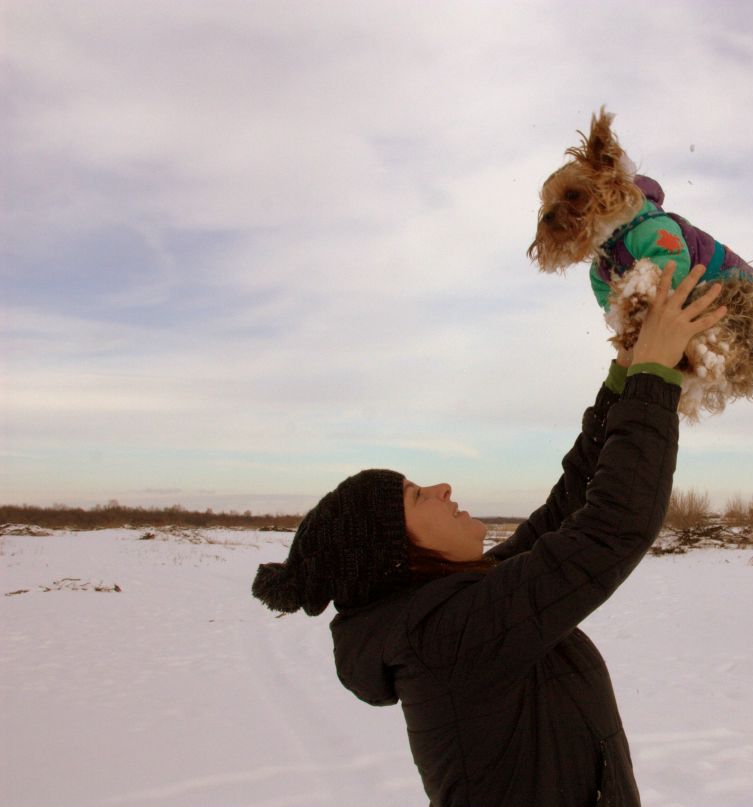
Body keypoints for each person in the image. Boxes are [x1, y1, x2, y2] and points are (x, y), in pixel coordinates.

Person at [252, 264, 726, 806]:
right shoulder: (448, 636)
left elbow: (567, 511)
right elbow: (608, 532)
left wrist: (623, 375)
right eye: (414, 496)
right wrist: (653, 378)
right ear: (395, 554)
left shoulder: (456, 608)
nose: (442, 487)